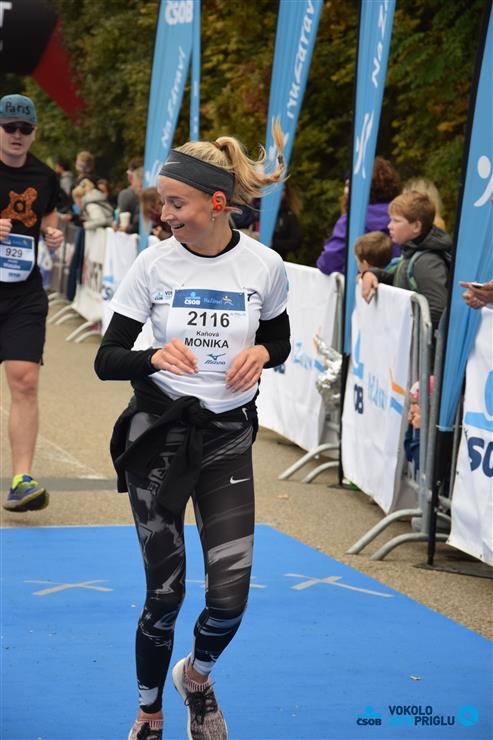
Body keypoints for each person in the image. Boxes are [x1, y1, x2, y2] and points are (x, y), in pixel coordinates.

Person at [94, 123, 291, 740]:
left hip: (227, 438)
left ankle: (196, 679)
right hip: (160, 436)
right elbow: (107, 358)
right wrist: (153, 356)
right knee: (165, 594)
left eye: (176, 203)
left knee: (230, 600)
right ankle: (149, 712)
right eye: (162, 202)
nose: (165, 214)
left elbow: (280, 338)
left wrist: (263, 353)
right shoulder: (154, 264)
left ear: (217, 202)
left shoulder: (264, 265)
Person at [0, 94, 64, 511]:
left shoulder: (44, 176)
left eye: (25, 129)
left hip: (23, 292)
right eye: (10, 127)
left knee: (24, 380)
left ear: (35, 132)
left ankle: (21, 479)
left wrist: (53, 236)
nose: (17, 135)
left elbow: (49, 222)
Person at [361, 190, 452, 331]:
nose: (389, 226)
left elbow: (437, 311)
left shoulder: (427, 261)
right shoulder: (412, 252)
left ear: (416, 226)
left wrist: (404, 329)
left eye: (396, 221)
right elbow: (396, 277)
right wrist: (372, 273)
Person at [316, 156, 402, 275]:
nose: (345, 190)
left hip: (361, 283)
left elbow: (329, 262)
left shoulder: (352, 220)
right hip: (395, 281)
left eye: (348, 185)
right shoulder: (403, 217)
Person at [271, 184, 302, 260]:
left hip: (278, 259)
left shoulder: (289, 215)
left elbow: (295, 242)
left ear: (286, 193)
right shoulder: (261, 211)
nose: (279, 192)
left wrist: (273, 243)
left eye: (283, 190)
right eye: (277, 190)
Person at [117, 157, 144, 233]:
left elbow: (120, 222)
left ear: (130, 177)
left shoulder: (125, 194)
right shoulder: (154, 192)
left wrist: (126, 228)